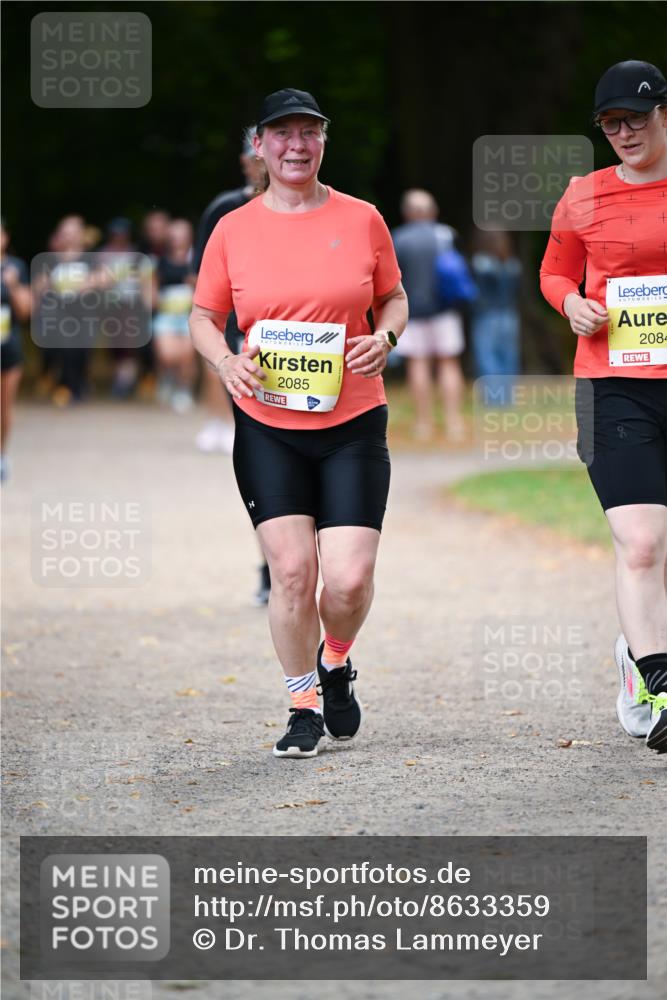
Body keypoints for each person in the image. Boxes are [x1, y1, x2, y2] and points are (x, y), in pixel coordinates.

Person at [191, 88, 408, 758]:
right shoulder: (233, 228)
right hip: (267, 425)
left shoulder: (363, 218)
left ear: (322, 141)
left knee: (347, 580)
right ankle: (302, 705)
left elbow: (393, 297)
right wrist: (225, 361)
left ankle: (334, 659)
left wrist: (386, 337)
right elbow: (202, 316)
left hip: (352, 421)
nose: (296, 145)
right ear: (259, 146)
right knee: (290, 573)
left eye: (308, 132)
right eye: (281, 133)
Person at [540, 59, 667, 753]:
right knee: (641, 543)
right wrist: (571, 304)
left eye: (636, 118)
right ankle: (660, 681)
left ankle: (636, 651)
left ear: (663, 113)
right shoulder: (583, 195)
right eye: (610, 123)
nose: (624, 132)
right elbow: (554, 271)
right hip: (610, 385)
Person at [193, 134, 272, 605]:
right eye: (258, 154)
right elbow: (201, 290)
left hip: (311, 358)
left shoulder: (320, 207)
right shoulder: (225, 211)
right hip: (246, 354)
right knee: (267, 461)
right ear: (247, 160)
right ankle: (271, 566)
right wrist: (222, 356)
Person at [392, 189, 466, 442]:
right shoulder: (446, 234)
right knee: (449, 363)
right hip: (445, 310)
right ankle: (454, 422)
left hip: (412, 313)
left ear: (407, 213)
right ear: (432, 211)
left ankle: (423, 424)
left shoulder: (398, 239)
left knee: (418, 364)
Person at [470, 228, 522, 405]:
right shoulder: (513, 264)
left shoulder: (480, 262)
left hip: (487, 315)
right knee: (509, 356)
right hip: (510, 315)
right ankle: (508, 398)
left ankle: (493, 400)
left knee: (488, 356)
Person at [153, 219, 197, 414]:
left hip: (190, 315)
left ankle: (184, 390)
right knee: (168, 355)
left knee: (187, 356)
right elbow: (153, 286)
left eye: (182, 235)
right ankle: (168, 378)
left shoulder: (196, 259)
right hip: (167, 315)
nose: (178, 239)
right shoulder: (160, 261)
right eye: (175, 235)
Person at [1, 220, 30, 482]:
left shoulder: (16, 268)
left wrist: (11, 286)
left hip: (8, 346)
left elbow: (25, 311)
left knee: (4, 406)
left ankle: (2, 455)